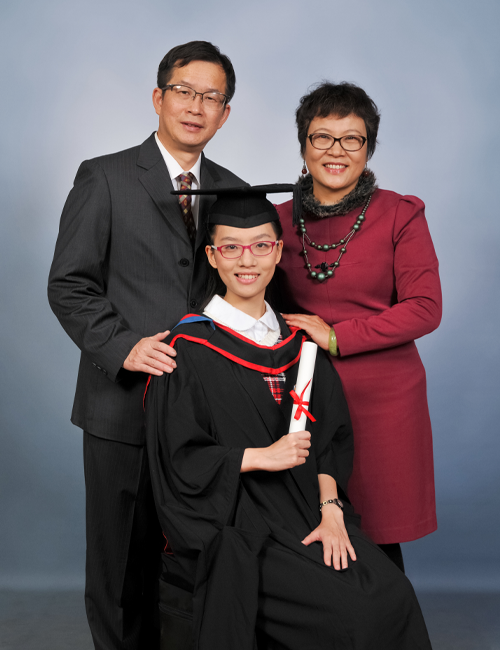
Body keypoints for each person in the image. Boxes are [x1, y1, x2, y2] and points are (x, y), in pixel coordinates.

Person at [145, 185, 432, 650]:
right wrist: (261, 456)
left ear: (279, 253)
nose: (247, 260)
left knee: (392, 594)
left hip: (308, 512)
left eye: (261, 245)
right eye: (231, 248)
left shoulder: (299, 347)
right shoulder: (187, 350)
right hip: (239, 528)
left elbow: (329, 438)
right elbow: (177, 461)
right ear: (212, 257)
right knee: (351, 616)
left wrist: (331, 511)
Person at [47, 41, 245, 650]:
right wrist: (124, 347)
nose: (196, 106)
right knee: (121, 569)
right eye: (184, 91)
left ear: (225, 114)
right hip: (121, 408)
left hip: (204, 419)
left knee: (195, 560)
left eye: (211, 97)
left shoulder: (235, 192)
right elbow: (69, 284)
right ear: (159, 97)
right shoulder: (104, 176)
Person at [274, 82, 442, 571]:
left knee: (376, 537)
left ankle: (386, 616)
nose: (337, 151)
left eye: (352, 139)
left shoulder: (400, 213)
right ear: (303, 145)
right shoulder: (274, 221)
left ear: (368, 148)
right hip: (301, 391)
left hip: (383, 398)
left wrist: (336, 336)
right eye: (322, 137)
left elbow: (425, 307)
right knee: (303, 529)